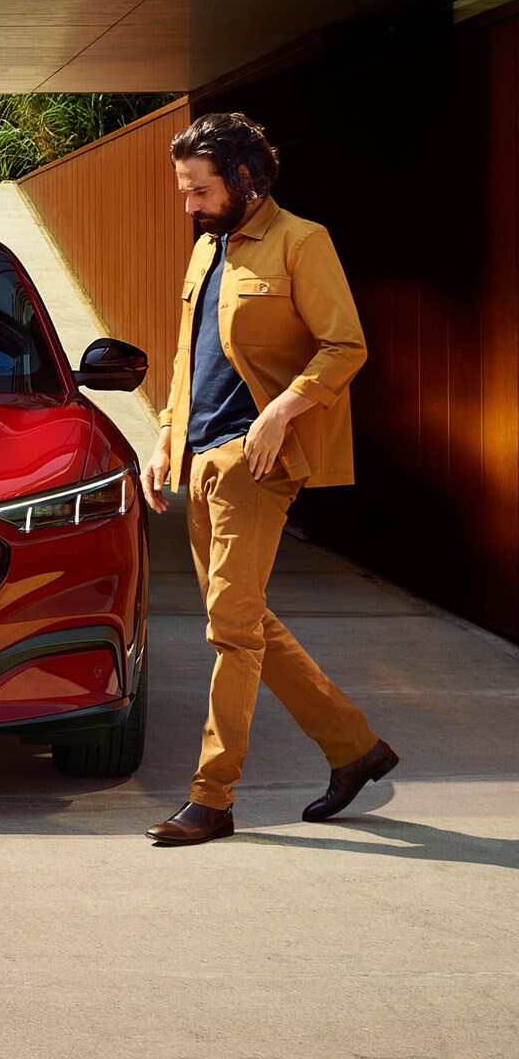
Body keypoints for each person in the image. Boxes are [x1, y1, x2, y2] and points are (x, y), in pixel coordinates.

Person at [140, 112, 397, 845]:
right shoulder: (206, 251)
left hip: (257, 463)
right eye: (184, 190)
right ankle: (355, 748)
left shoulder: (301, 242)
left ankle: (212, 798)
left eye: (199, 189)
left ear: (246, 181)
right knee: (245, 619)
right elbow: (191, 356)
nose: (189, 204)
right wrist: (164, 437)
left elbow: (345, 345)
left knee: (231, 631)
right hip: (200, 460)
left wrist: (283, 412)